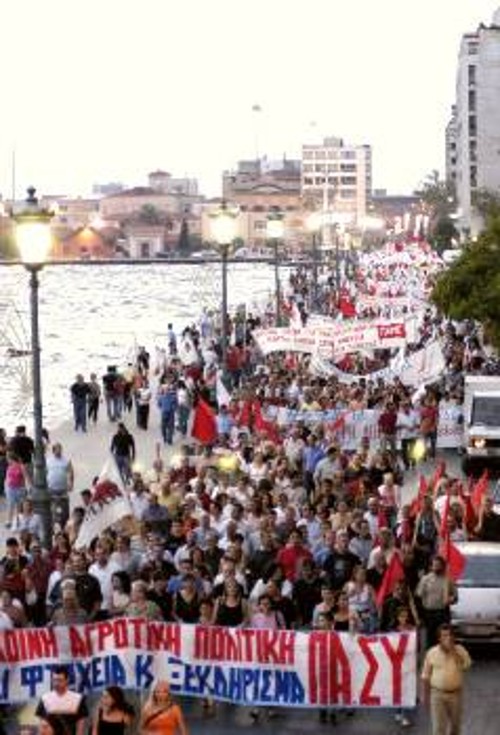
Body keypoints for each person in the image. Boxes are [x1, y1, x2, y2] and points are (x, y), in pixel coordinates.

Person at [421, 624, 471, 735]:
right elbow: (425, 676)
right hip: (437, 695)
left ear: (453, 637)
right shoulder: (431, 652)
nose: (447, 638)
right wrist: (425, 697)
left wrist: (454, 652)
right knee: (439, 729)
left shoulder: (460, 650)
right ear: (439, 638)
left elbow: (466, 666)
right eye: (444, 635)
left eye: (450, 635)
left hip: (456, 694)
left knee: (455, 727)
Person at [35, 665, 88, 735]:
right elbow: (42, 727)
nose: (56, 683)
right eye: (54, 680)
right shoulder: (45, 699)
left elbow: (80, 728)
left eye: (60, 680)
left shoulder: (78, 699)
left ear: (67, 680)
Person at [46, 443, 74, 530]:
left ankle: (64, 526)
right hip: (51, 489)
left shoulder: (66, 460)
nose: (59, 451)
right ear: (53, 451)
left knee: (64, 510)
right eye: (57, 449)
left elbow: (70, 472)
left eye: (60, 449)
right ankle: (53, 527)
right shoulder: (48, 460)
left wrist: (71, 484)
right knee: (53, 510)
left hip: (63, 489)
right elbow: (44, 473)